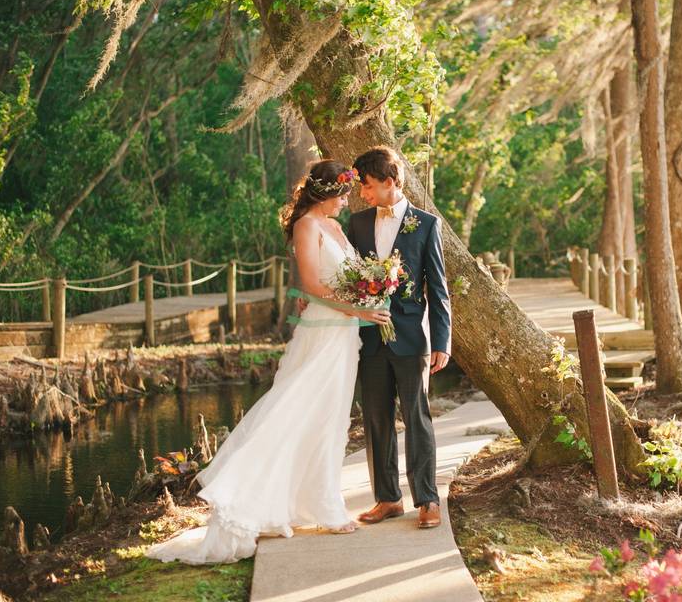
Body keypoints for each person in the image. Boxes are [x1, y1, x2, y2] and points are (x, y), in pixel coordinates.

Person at [145, 159, 390, 564]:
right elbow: (310, 286)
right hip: (322, 334)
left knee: (329, 419)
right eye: (343, 193)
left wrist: (367, 294)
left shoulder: (335, 228)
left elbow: (343, 279)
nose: (347, 201)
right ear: (326, 192)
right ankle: (270, 497)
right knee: (296, 411)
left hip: (344, 337)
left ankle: (307, 503)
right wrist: (359, 311)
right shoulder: (307, 225)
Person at [348, 146, 452, 530]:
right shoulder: (357, 224)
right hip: (370, 339)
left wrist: (443, 341)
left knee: (417, 417)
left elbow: (437, 288)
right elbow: (349, 280)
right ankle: (388, 499)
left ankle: (427, 500)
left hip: (411, 337)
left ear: (390, 182)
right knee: (375, 419)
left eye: (369, 185)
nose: (364, 193)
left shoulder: (425, 224)